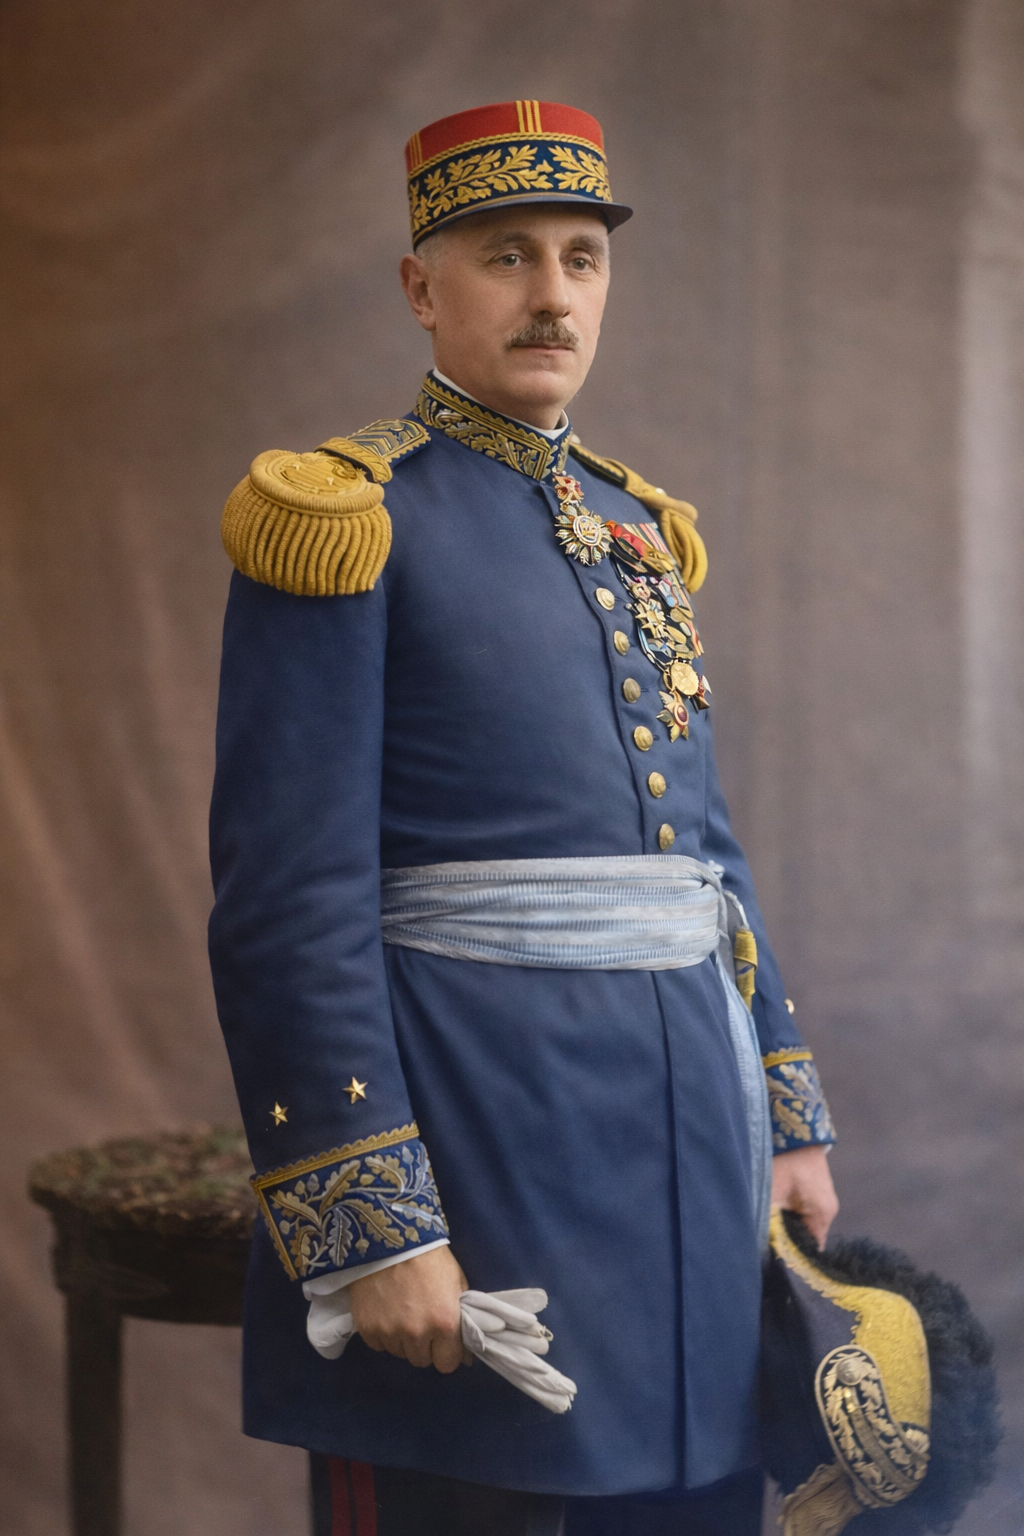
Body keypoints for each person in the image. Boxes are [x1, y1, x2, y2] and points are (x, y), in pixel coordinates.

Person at [209, 101, 839, 1536]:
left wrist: (788, 1114)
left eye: (580, 257)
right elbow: (285, 903)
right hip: (484, 1154)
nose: (554, 293)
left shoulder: (635, 534)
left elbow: (706, 859)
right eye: (506, 256)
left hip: (690, 1156)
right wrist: (378, 1225)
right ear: (422, 289)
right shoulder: (348, 517)